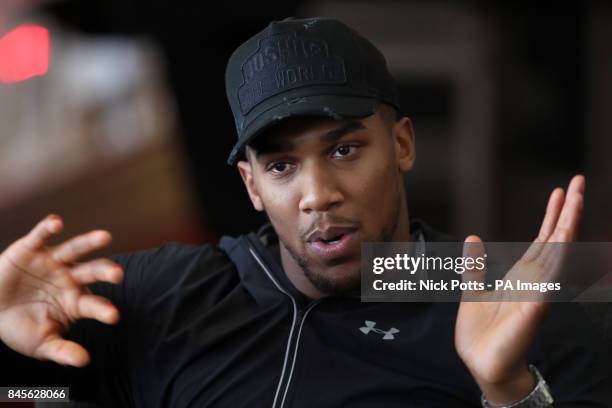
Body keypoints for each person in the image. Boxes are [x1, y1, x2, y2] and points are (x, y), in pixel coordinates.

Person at [0, 17, 609, 408]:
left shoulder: (513, 312)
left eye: (344, 150)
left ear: (402, 145)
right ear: (251, 184)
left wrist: (508, 392)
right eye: (282, 166)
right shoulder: (169, 295)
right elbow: (36, 391)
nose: (317, 194)